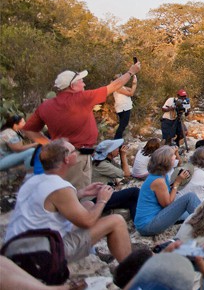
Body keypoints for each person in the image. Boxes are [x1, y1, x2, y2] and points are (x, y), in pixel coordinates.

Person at [4, 140, 132, 263]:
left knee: (88, 204)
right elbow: (88, 222)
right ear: (67, 159)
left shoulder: (34, 180)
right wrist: (102, 200)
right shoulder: (60, 187)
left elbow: (50, 201)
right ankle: (130, 273)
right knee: (117, 221)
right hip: (42, 254)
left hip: (19, 246)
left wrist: (82, 193)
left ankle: (91, 251)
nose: (76, 152)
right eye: (73, 151)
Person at [22, 61, 142, 189]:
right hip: (77, 158)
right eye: (81, 81)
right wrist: (131, 72)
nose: (84, 83)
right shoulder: (82, 98)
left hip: (59, 157)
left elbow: (29, 130)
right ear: (72, 86)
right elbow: (114, 86)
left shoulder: (46, 106)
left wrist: (50, 144)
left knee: (62, 191)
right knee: (78, 194)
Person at [134, 146, 201, 236]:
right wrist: (177, 182)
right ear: (166, 162)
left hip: (156, 215)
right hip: (147, 225)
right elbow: (167, 204)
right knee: (190, 197)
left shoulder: (161, 175)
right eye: (172, 156)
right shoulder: (158, 181)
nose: (174, 157)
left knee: (191, 210)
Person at [112, 72, 137, 140]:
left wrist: (134, 83)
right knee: (122, 125)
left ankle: (117, 140)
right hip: (123, 108)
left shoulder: (122, 87)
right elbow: (131, 94)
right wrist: (134, 84)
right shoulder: (118, 88)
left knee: (123, 125)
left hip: (125, 108)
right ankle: (116, 141)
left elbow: (132, 90)